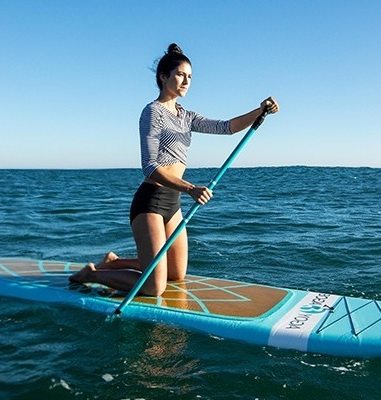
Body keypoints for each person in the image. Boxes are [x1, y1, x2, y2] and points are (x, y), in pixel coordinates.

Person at [69, 43, 279, 296]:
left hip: (173, 202)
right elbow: (149, 167)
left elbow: (227, 127)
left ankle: (115, 262)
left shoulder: (186, 116)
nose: (186, 81)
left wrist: (260, 111)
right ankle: (91, 274)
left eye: (190, 77)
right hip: (150, 203)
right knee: (154, 287)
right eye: (180, 75)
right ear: (163, 77)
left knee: (176, 274)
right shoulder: (152, 112)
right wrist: (191, 188)